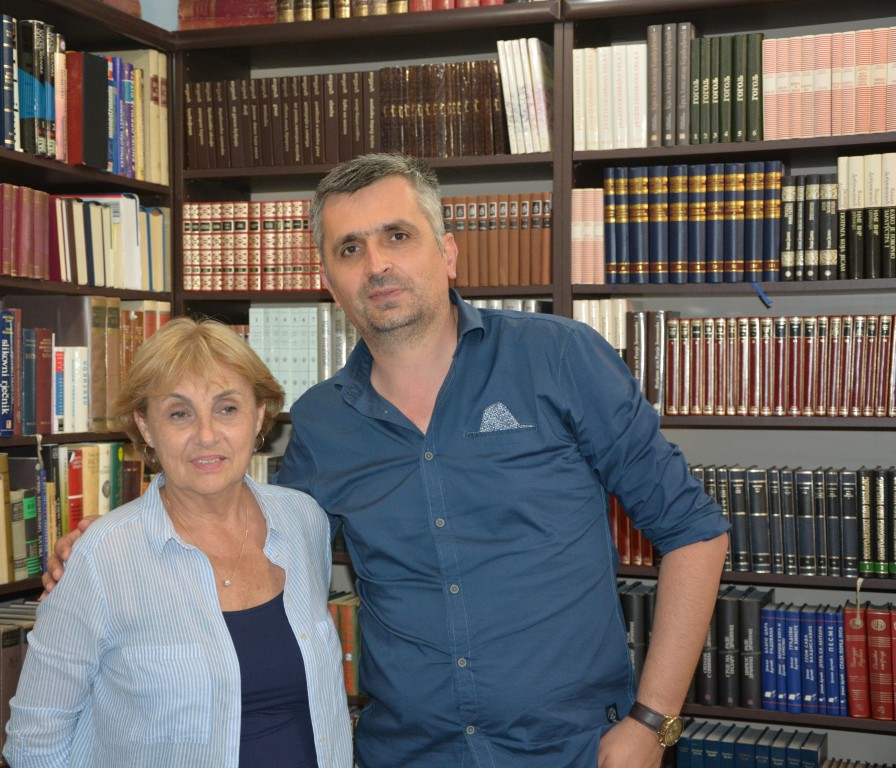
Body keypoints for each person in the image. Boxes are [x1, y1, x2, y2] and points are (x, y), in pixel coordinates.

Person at [45, 154, 730, 768]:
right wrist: (118, 542)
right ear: (329, 280)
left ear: (447, 252)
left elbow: (694, 531)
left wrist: (653, 721)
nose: (375, 264)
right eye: (350, 248)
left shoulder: (559, 358)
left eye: (397, 236)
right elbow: (249, 533)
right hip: (407, 752)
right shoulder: (321, 422)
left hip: (577, 749)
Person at [6, 317, 352, 768]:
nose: (206, 435)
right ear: (146, 427)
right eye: (179, 413)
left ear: (259, 416)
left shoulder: (304, 521)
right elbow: (34, 742)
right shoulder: (102, 558)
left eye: (227, 408)